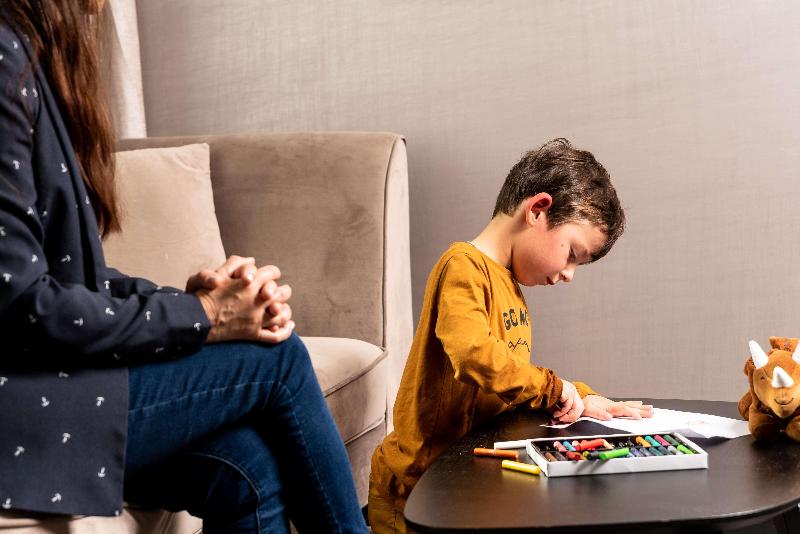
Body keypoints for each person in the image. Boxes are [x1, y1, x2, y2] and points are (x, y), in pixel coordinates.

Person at [0, 1, 368, 533]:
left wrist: (189, 302)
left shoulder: (29, 51)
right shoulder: (5, 57)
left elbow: (67, 281)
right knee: (276, 358)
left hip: (44, 384)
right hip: (22, 404)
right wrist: (205, 315)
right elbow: (23, 305)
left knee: (245, 465)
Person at [367, 138, 654, 533]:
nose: (569, 274)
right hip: (417, 488)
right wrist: (555, 389)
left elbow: (509, 378)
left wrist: (580, 397)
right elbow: (474, 355)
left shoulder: (509, 284)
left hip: (464, 483)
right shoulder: (463, 267)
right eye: (572, 254)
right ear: (538, 210)